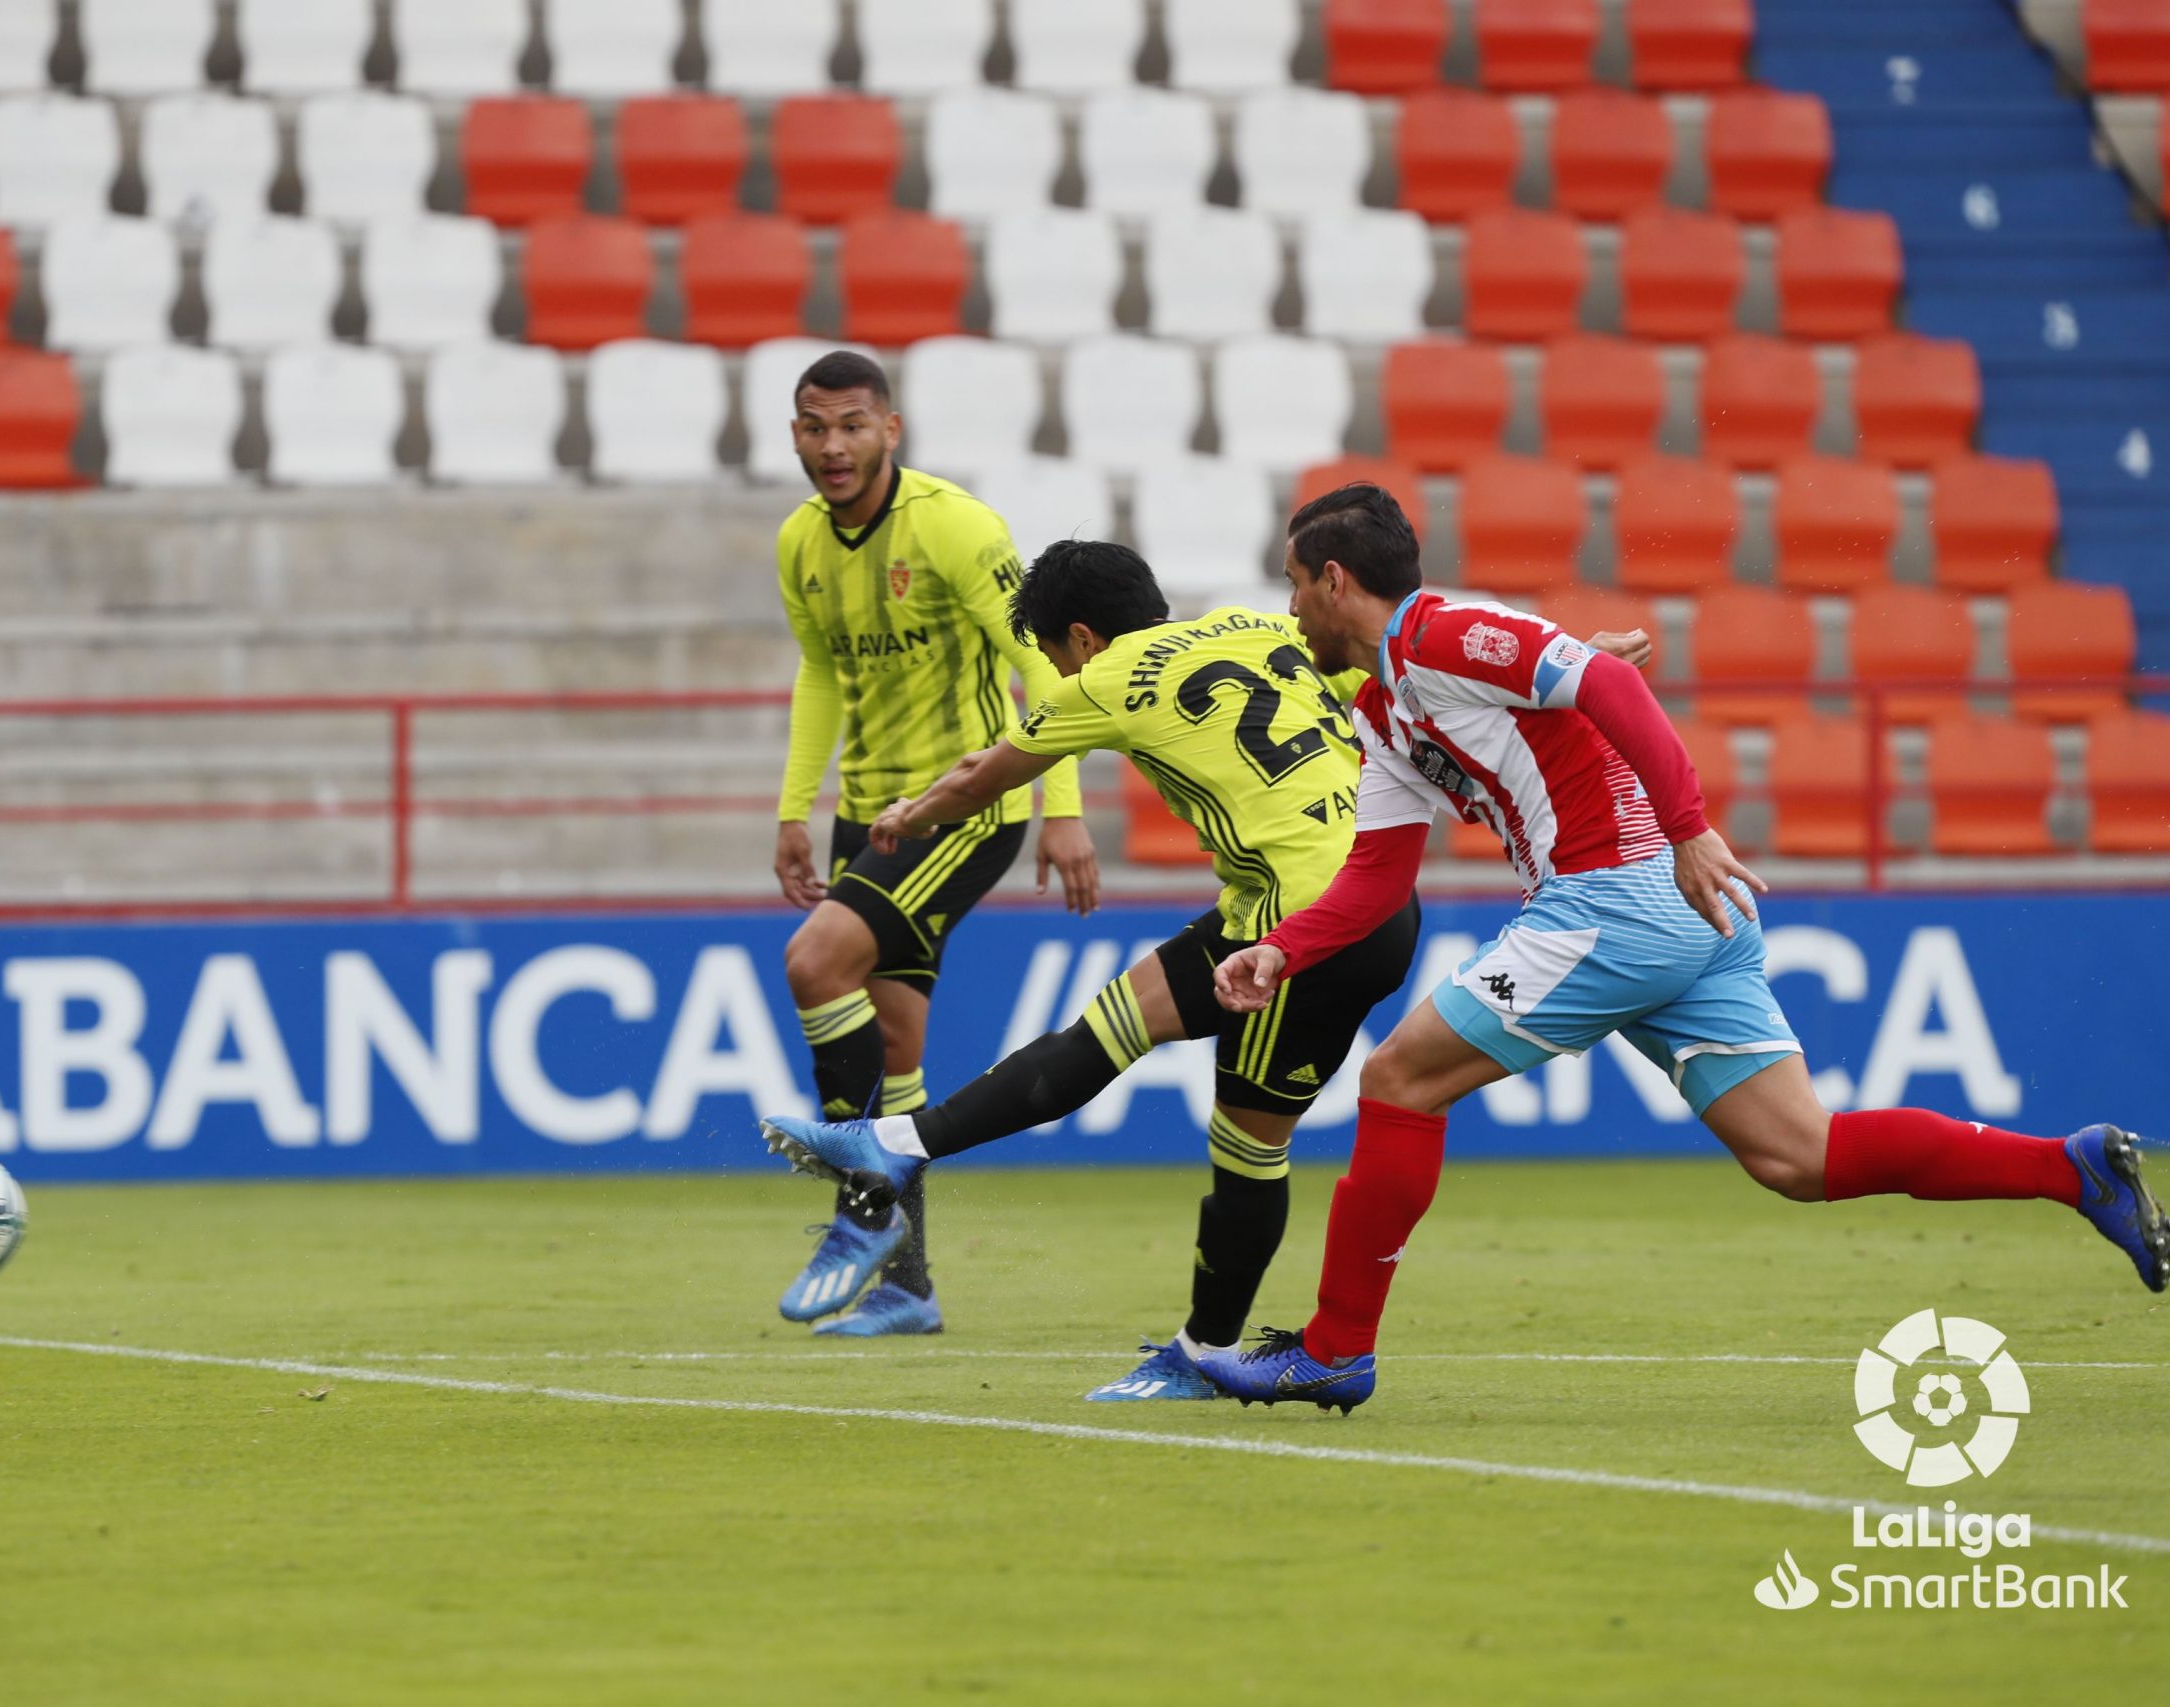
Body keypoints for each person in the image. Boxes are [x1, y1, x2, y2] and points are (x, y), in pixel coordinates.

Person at [1191, 482, 2169, 1412]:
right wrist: (1283, 948)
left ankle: (1331, 1354)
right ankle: (2072, 1168)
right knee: (1798, 1156)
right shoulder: (1384, 710)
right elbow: (1375, 877)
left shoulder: (1439, 633)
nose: (1291, 611)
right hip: (1681, 917)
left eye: (1292, 585)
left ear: (1333, 581)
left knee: (1399, 1080)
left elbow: (1607, 679)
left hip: (1613, 901)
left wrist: (1690, 823)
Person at [757, 533, 1651, 1397]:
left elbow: (989, 775)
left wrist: (910, 816)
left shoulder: (1107, 675)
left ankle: (1198, 1349)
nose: (1068, 678)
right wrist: (1573, 654)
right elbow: (1406, 662)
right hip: (1351, 899)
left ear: (1080, 638)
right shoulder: (1260, 627)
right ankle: (901, 1149)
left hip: (1307, 920)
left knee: (1242, 1145)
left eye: (1062, 659)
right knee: (1115, 1028)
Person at [769, 349, 1098, 1338]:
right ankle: (908, 1285)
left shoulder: (953, 527)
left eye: (852, 426)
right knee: (898, 1049)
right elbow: (821, 674)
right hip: (865, 817)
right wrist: (795, 807)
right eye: (814, 427)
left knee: (814, 959)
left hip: (964, 810)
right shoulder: (797, 544)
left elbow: (1037, 665)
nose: (833, 447)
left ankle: (860, 1212)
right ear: (795, 433)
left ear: (890, 430)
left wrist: (1063, 803)